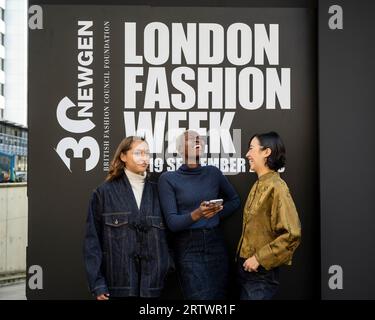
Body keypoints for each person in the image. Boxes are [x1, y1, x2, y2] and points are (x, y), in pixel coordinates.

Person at [83, 136, 172, 300]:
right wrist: (97, 283)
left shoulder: (159, 191)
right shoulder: (104, 193)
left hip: (153, 285)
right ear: (123, 156)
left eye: (147, 153)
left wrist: (165, 267)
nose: (144, 158)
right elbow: (92, 242)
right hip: (118, 285)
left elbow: (169, 236)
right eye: (138, 153)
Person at [158, 130, 240, 299]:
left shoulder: (213, 173)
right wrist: (198, 214)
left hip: (215, 242)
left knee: (220, 297)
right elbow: (173, 222)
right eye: (191, 139)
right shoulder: (168, 179)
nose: (198, 141)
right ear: (180, 150)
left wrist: (215, 214)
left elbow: (234, 200)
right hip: (188, 247)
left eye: (200, 139)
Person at [236, 131, 301, 300]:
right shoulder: (258, 184)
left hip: (261, 276)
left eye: (251, 149)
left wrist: (258, 258)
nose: (247, 154)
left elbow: (292, 234)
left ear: (267, 152)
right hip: (247, 273)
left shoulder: (277, 187)